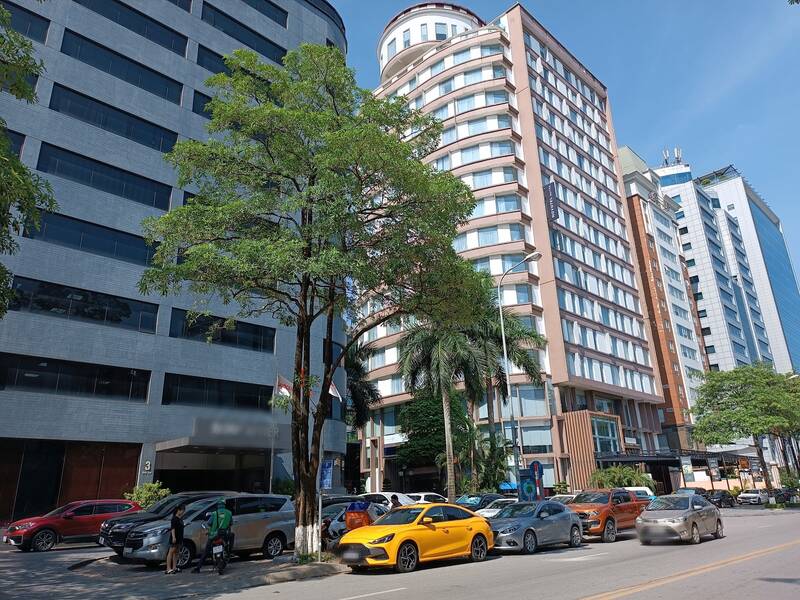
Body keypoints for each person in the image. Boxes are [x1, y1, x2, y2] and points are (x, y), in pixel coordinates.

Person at [192, 498, 233, 573]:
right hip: (224, 535)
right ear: (224, 505)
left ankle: (198, 568)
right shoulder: (229, 513)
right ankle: (227, 555)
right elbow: (231, 523)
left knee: (206, 551)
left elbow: (209, 523)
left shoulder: (214, 513)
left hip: (214, 535)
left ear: (218, 505)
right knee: (227, 547)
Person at [165, 504, 186, 574]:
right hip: (175, 537)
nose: (183, 512)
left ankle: (174, 567)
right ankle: (168, 568)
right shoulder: (174, 519)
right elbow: (173, 528)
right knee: (171, 552)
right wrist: (174, 537)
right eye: (182, 510)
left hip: (180, 537)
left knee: (176, 552)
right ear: (178, 510)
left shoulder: (180, 518)